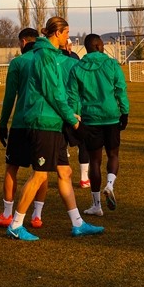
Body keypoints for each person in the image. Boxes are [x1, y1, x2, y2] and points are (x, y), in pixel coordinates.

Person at [5, 16, 104, 241]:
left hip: (53, 121)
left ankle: (78, 223)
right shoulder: (44, 56)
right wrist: (73, 120)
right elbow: (53, 94)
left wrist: (69, 114)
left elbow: (58, 92)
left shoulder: (51, 54)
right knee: (40, 175)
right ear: (58, 33)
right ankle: (16, 224)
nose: (68, 38)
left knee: (65, 172)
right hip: (43, 123)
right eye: (67, 33)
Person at [69, 34, 130, 217]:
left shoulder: (77, 67)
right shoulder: (111, 64)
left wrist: (75, 118)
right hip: (111, 117)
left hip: (90, 119)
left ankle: (96, 205)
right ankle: (110, 185)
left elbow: (72, 96)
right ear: (98, 46)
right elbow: (120, 89)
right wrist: (124, 112)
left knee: (94, 161)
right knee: (113, 154)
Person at [0, 28, 47, 229]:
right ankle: (37, 216)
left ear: (23, 42)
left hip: (21, 122)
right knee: (41, 170)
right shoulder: (49, 59)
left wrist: (3, 123)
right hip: (44, 123)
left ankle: (8, 214)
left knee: (12, 167)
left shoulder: (18, 62)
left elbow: (10, 96)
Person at [59, 39, 92, 189]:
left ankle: (64, 177)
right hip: (76, 108)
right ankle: (84, 178)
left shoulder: (50, 63)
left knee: (61, 145)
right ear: (66, 47)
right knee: (83, 143)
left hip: (58, 109)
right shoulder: (75, 63)